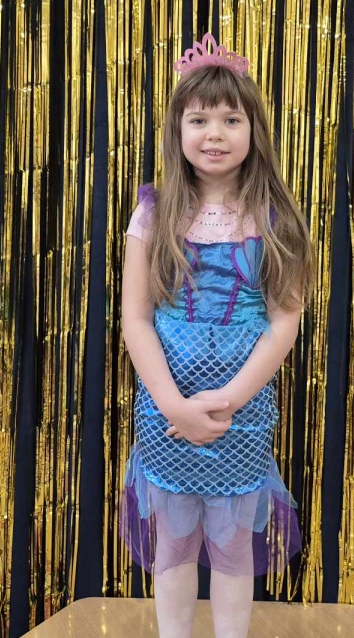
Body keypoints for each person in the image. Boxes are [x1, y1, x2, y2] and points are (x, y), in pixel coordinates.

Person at [120, 34, 313, 638]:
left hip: (242, 413)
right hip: (166, 411)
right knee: (174, 544)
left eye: (232, 120)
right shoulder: (153, 212)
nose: (215, 133)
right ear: (177, 130)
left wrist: (227, 400)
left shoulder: (276, 218)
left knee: (232, 548)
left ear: (254, 130)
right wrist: (173, 404)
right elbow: (135, 319)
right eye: (199, 119)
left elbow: (285, 321)